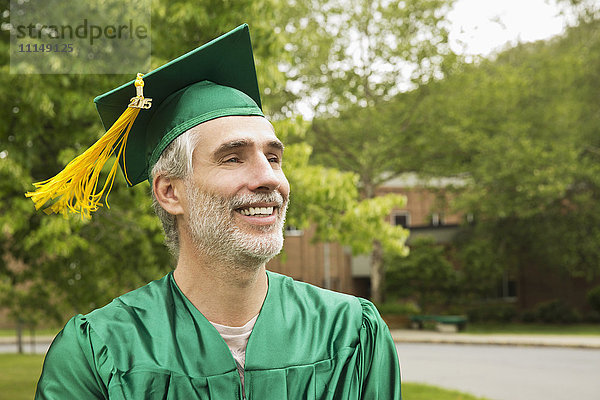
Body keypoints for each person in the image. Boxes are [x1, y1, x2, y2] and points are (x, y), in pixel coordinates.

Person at [32, 24, 402, 399]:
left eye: (273, 157)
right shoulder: (99, 352)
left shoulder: (352, 334)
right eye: (232, 158)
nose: (268, 178)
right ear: (170, 192)